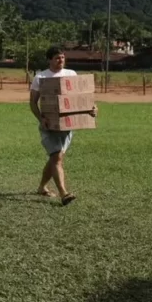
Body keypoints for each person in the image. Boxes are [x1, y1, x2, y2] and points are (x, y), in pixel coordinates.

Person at [29, 46, 98, 206]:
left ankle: (41, 187)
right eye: (57, 58)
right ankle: (64, 193)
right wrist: (41, 119)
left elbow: (81, 97)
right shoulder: (41, 77)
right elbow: (32, 102)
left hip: (67, 126)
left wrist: (92, 108)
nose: (61, 60)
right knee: (57, 157)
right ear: (49, 60)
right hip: (49, 126)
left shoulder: (71, 74)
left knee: (55, 158)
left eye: (62, 57)